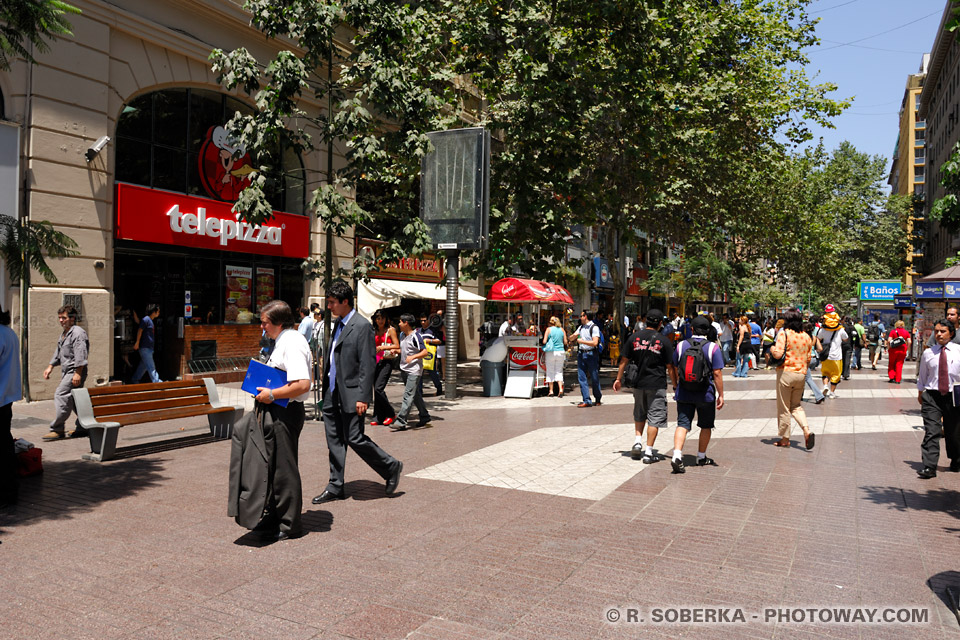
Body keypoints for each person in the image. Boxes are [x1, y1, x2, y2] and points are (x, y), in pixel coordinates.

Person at [313, 280, 403, 503]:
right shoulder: (338, 324)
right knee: (334, 439)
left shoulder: (362, 326)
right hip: (332, 392)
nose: (329, 307)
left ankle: (391, 466)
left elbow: (367, 364)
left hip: (353, 394)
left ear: (345, 302)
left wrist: (364, 396)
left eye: (333, 302)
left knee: (354, 438)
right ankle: (335, 485)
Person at [230, 300, 312, 541]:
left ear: (277, 322)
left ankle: (289, 525)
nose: (261, 327)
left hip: (284, 412)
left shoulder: (293, 342)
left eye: (264, 322)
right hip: (275, 410)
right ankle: (274, 516)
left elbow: (303, 384)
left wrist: (272, 394)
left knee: (284, 468)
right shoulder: (282, 341)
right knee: (273, 466)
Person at [613, 309, 675, 464]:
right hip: (657, 383)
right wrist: (675, 385)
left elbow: (623, 361)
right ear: (660, 323)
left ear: (646, 321)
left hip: (638, 384)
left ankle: (637, 441)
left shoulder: (634, 337)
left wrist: (618, 379)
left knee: (639, 412)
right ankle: (648, 452)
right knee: (655, 417)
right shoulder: (664, 341)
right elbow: (670, 367)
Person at [670, 315, 724, 473]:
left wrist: (676, 385)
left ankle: (676, 455)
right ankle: (701, 456)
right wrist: (721, 394)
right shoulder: (713, 348)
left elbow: (673, 367)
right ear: (707, 331)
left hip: (684, 391)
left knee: (682, 424)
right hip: (705, 393)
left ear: (691, 329)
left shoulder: (681, 346)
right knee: (706, 425)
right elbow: (717, 373)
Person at [916, 320, 960, 479]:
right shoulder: (929, 353)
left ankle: (956, 459)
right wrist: (920, 392)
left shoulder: (958, 351)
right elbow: (923, 375)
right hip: (932, 396)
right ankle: (929, 466)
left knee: (953, 432)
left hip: (953, 396)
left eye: (943, 331)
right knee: (932, 431)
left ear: (951, 333)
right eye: (936, 331)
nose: (939, 334)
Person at [769, 308, 815, 449]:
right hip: (801, 374)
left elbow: (777, 354)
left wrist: (771, 349)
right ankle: (806, 430)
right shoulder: (807, 336)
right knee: (796, 406)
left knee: (784, 407)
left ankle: (785, 438)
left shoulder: (785, 334)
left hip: (786, 373)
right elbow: (808, 358)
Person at [42, 305, 89, 440]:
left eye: (64, 318)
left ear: (72, 318)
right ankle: (84, 426)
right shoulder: (64, 334)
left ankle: (57, 429)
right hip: (67, 371)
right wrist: (50, 366)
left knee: (61, 395)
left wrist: (78, 373)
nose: (61, 321)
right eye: (59, 318)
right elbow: (58, 353)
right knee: (75, 400)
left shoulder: (78, 333)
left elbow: (81, 354)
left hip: (74, 371)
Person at [391, 313, 432, 431]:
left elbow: (424, 352)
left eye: (400, 322)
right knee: (414, 395)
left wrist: (412, 357)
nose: (398, 324)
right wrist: (396, 351)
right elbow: (404, 349)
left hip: (414, 370)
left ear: (406, 323)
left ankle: (401, 421)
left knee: (408, 395)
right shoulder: (402, 335)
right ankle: (424, 416)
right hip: (404, 369)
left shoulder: (416, 336)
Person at [1, 305, 21, 507]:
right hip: (6, 397)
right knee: (5, 443)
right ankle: (10, 490)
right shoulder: (9, 333)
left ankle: (7, 490)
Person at [371, 310, 399, 426]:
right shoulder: (374, 330)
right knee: (376, 389)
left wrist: (383, 347)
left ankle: (391, 413)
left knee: (379, 388)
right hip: (375, 362)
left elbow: (397, 345)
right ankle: (378, 416)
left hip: (386, 361)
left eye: (382, 318)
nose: (380, 321)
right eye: (378, 318)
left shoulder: (390, 330)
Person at [817, 304, 848, 399]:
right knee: (836, 375)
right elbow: (846, 339)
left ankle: (825, 386)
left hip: (826, 355)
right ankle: (832, 392)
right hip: (837, 356)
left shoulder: (822, 330)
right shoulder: (840, 330)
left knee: (825, 373)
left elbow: (818, 338)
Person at [573, 310, 602, 407]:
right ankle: (586, 400)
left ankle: (597, 398)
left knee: (594, 377)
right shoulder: (581, 327)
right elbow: (573, 336)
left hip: (591, 354)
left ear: (585, 316)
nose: (580, 318)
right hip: (581, 354)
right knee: (581, 377)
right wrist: (570, 336)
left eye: (581, 316)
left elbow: (595, 343)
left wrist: (582, 341)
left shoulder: (594, 327)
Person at [131, 303, 161, 384]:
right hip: (145, 348)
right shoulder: (146, 319)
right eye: (158, 311)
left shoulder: (150, 321)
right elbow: (140, 330)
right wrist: (137, 342)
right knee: (151, 366)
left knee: (143, 366)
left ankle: (135, 379)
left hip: (148, 348)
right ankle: (157, 381)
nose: (159, 313)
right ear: (153, 312)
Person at [418, 313, 443, 396]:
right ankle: (420, 391)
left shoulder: (433, 330)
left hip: (430, 355)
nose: (423, 322)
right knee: (419, 372)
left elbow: (439, 341)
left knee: (432, 372)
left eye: (424, 320)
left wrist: (430, 341)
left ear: (428, 320)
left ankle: (439, 387)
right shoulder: (418, 331)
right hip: (420, 354)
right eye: (421, 320)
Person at [542, 316, 568, 397]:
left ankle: (551, 391)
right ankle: (560, 389)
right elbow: (565, 342)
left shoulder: (548, 329)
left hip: (551, 352)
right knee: (559, 371)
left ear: (551, 322)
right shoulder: (562, 330)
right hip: (560, 352)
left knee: (550, 371)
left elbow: (544, 341)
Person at [802, 321, 826, 404]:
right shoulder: (813, 337)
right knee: (803, 377)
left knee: (808, 379)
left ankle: (819, 396)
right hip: (814, 359)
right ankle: (800, 395)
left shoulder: (803, 337)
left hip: (805, 359)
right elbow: (820, 348)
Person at [886, 320, 912, 384]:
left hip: (893, 350)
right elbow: (909, 341)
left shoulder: (893, 331)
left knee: (891, 363)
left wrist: (888, 348)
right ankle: (898, 380)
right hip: (902, 350)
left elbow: (889, 340)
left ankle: (891, 377)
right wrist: (907, 348)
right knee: (899, 364)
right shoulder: (906, 332)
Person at [840, 316, 854, 380]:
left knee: (841, 358)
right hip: (848, 344)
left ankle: (841, 372)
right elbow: (855, 335)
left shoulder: (840, 327)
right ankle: (846, 374)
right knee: (847, 359)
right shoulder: (851, 327)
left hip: (841, 344)